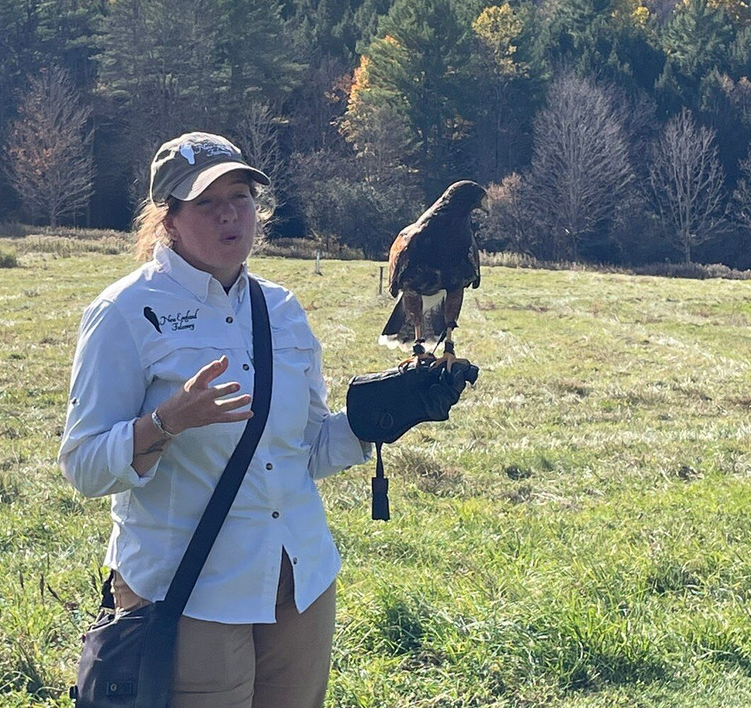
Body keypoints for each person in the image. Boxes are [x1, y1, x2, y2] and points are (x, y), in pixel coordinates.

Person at [59, 132, 468, 708]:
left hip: (300, 580)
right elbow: (84, 468)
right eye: (206, 202)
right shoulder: (124, 313)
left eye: (241, 197)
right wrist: (166, 422)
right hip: (190, 589)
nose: (230, 216)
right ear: (168, 218)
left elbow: (303, 451)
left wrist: (376, 419)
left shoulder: (281, 309)